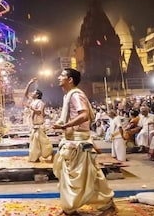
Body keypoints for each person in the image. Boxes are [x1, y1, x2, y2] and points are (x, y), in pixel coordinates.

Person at [52, 68, 115, 215]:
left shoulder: (75, 95)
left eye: (62, 75)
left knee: (88, 175)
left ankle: (106, 204)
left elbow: (85, 115)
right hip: (71, 141)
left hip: (78, 142)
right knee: (74, 175)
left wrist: (65, 125)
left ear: (70, 80)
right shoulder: (68, 95)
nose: (58, 77)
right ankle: (70, 208)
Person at [24, 77, 53, 162]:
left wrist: (29, 107)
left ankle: (50, 153)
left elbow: (39, 112)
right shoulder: (33, 101)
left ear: (37, 95)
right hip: (34, 126)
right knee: (35, 144)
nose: (31, 93)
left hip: (39, 126)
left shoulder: (40, 103)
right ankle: (35, 158)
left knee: (44, 144)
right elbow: (25, 94)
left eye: (33, 92)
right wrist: (29, 83)